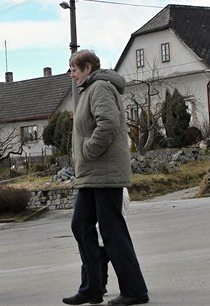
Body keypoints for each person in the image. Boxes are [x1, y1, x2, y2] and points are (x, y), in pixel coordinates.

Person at [62, 50, 149, 306]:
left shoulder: (99, 87)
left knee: (112, 231)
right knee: (80, 225)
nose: (72, 73)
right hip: (92, 174)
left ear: (87, 68)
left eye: (74, 69)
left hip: (105, 173)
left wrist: (88, 150)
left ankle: (135, 290)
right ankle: (92, 287)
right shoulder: (89, 90)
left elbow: (108, 123)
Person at [98, 188, 130, 295]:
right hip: (113, 231)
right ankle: (129, 286)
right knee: (119, 261)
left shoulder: (115, 192)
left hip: (107, 232)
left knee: (101, 261)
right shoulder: (122, 191)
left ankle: (100, 286)